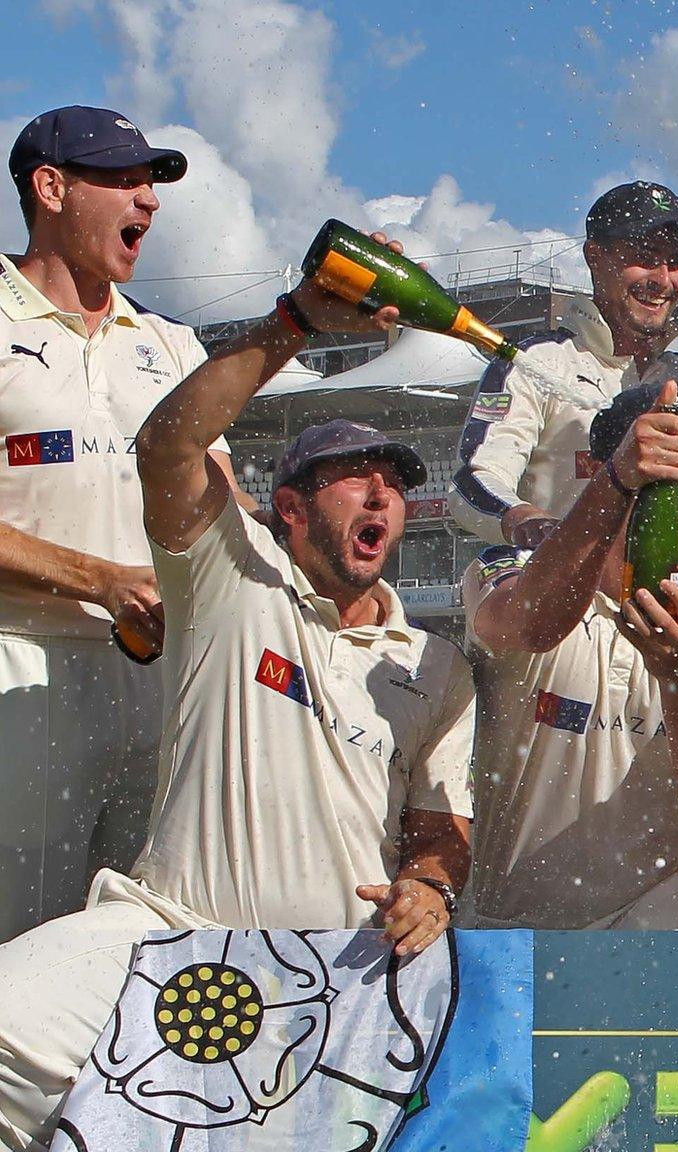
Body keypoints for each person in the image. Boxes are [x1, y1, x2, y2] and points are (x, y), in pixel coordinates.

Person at [0, 250, 476, 1150]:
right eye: (353, 474)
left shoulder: (434, 664)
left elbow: (439, 826)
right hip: (167, 936)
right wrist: (291, 322)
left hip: (328, 973)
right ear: (286, 509)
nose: (382, 491)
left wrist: (430, 887)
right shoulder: (230, 585)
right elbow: (168, 446)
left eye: (397, 483)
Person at [0, 107, 247, 940]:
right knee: (19, 944)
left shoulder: (173, 346)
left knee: (144, 949)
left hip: (163, 689)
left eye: (153, 182)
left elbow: (226, 510)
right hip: (23, 671)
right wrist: (104, 581)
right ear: (51, 187)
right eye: (122, 179)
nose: (148, 200)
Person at [463, 382, 678, 929]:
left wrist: (677, 675)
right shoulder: (508, 566)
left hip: (655, 934)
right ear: (604, 469)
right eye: (667, 464)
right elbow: (527, 624)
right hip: (507, 927)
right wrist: (619, 483)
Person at [454, 181, 678, 547]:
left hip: (666, 596)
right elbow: (472, 479)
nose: (663, 280)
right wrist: (523, 519)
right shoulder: (536, 364)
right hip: (561, 592)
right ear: (594, 256)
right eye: (645, 257)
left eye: (677, 261)